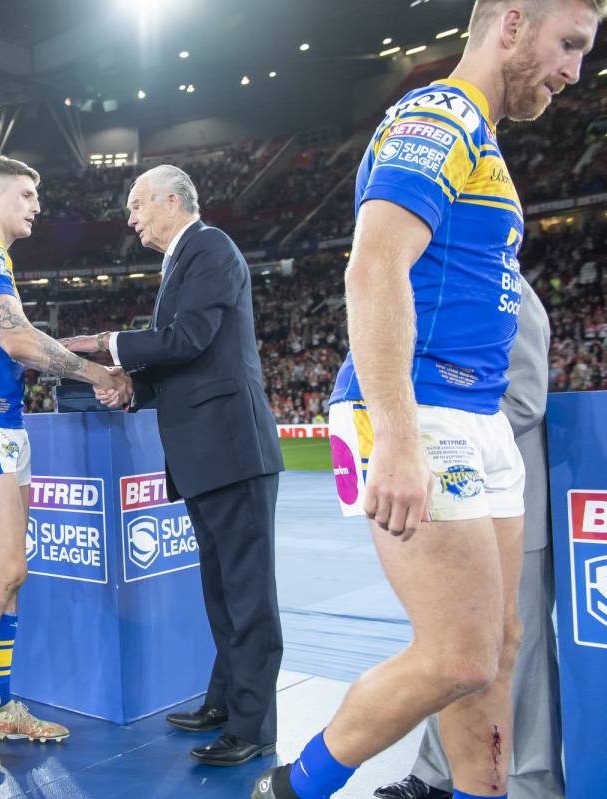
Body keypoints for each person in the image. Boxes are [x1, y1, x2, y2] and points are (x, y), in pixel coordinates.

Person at [252, 2, 603, 797]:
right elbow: (374, 266)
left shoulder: (481, 138)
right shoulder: (441, 116)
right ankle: (290, 788)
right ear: (512, 23)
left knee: (500, 645)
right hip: (422, 409)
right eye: (569, 44)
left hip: (477, 414)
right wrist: (400, 438)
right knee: (459, 654)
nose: (575, 70)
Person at [65, 164, 284, 766]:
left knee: (248, 596)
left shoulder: (210, 247)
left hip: (233, 452)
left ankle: (254, 726)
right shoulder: (183, 261)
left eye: (137, 205)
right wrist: (132, 388)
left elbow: (188, 339)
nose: (131, 219)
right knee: (221, 592)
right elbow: (189, 365)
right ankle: (225, 702)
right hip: (207, 455)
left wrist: (108, 344)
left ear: (171, 199)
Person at [0, 156, 129, 768]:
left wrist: (66, 353)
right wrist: (97, 372)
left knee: (14, 576)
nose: (37, 205)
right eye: (26, 194)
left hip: (3, 424)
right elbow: (16, 338)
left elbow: (14, 344)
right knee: (5, 568)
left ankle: (0, 705)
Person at [375, 278, 562, 799]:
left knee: (516, 658)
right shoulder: (437, 286)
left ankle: (529, 784)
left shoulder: (508, 289)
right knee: (451, 651)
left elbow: (524, 401)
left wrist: (426, 426)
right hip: (454, 508)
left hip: (508, 510)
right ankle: (438, 773)